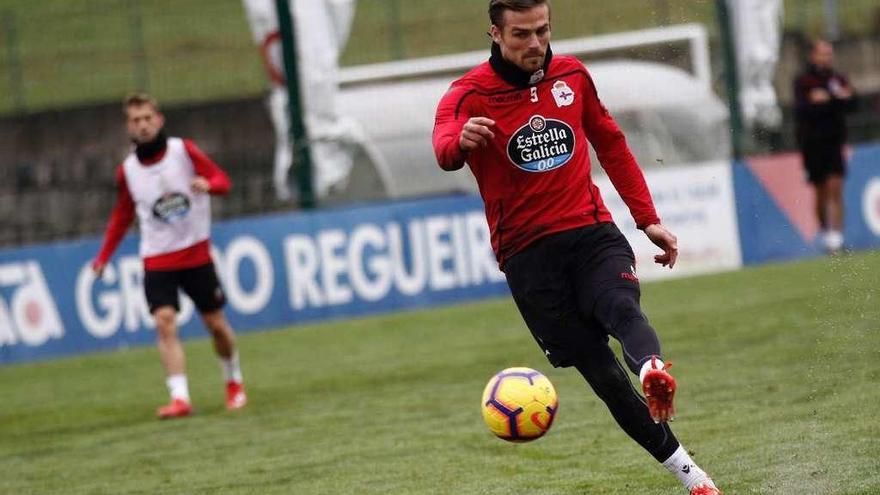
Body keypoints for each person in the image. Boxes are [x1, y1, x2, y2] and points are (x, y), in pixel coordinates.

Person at [432, 2, 720, 494]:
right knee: (603, 374)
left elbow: (610, 142)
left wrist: (647, 218)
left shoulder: (572, 76)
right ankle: (693, 477)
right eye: (521, 34)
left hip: (590, 231)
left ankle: (654, 372)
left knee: (620, 306)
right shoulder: (468, 94)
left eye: (543, 31)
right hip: (528, 258)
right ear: (495, 34)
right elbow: (442, 148)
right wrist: (460, 141)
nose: (535, 44)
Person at [92, 93, 247, 419]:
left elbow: (223, 181)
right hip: (157, 258)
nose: (143, 125)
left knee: (215, 324)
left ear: (159, 120)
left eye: (148, 118)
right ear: (128, 127)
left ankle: (233, 379)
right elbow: (122, 215)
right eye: (136, 120)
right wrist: (104, 255)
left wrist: (209, 185)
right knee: (164, 322)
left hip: (196, 254)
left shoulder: (184, 151)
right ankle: (180, 398)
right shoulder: (128, 171)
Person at [794, 39, 856, 254]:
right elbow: (802, 111)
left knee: (835, 188)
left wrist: (828, 99)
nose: (827, 58)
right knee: (821, 193)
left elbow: (851, 103)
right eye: (823, 54)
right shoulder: (803, 81)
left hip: (834, 142)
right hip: (812, 145)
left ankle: (837, 239)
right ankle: (826, 234)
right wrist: (832, 100)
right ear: (813, 56)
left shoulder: (837, 79)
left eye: (829, 54)